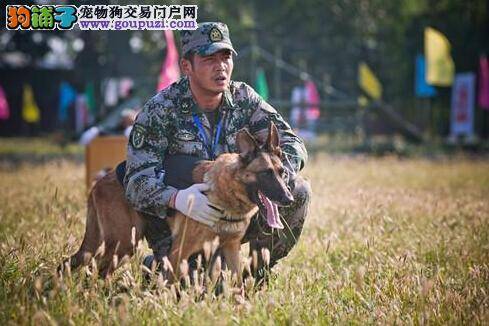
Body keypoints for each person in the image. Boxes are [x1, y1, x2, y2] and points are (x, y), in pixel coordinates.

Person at [123, 22, 311, 283]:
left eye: (225, 57)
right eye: (209, 59)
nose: (221, 66)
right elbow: (135, 181)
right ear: (187, 66)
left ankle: (256, 273)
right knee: (198, 285)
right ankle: (160, 263)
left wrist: (280, 174)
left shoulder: (245, 98)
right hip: (183, 221)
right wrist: (177, 198)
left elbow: (290, 141)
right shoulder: (161, 109)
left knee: (299, 191)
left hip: (234, 216)